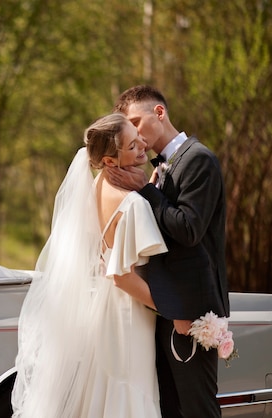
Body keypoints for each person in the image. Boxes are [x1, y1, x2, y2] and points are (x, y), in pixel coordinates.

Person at [12, 113, 168, 418]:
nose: (143, 148)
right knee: (130, 390)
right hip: (129, 314)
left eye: (140, 141)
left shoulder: (95, 186)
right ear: (110, 161)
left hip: (102, 310)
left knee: (104, 389)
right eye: (132, 146)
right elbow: (123, 277)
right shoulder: (132, 205)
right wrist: (169, 308)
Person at [107, 85, 230, 418]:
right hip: (165, 307)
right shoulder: (158, 167)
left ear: (159, 113)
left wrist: (146, 189)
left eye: (136, 120)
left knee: (198, 409)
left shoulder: (199, 159)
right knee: (171, 409)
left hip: (193, 311)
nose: (134, 132)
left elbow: (189, 229)